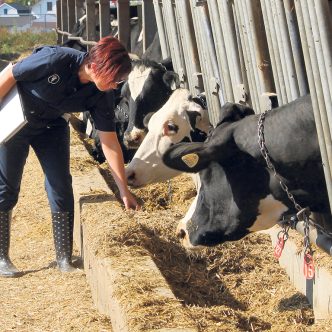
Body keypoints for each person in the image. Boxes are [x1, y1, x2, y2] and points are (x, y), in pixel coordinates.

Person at [0, 36, 140, 277]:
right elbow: (11, 74)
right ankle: (1, 257)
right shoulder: (55, 59)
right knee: (7, 185)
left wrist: (124, 190)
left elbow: (109, 142)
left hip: (52, 127)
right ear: (96, 68)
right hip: (18, 119)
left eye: (120, 81)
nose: (116, 86)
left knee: (61, 184)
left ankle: (64, 258)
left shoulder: (101, 93)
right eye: (115, 79)